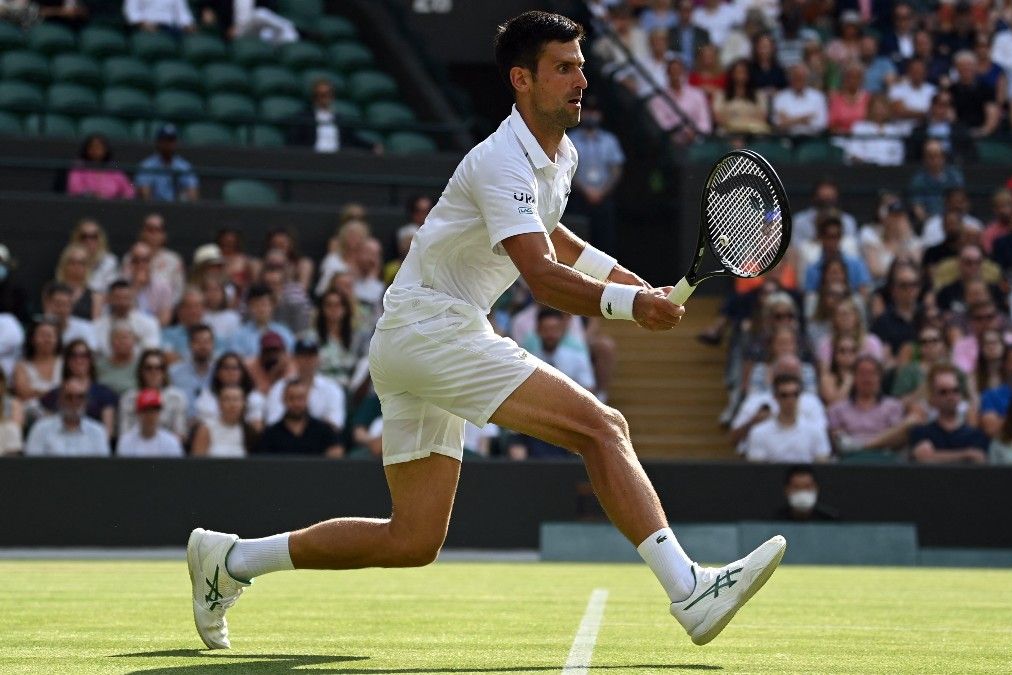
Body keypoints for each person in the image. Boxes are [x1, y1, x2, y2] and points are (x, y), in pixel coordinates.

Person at [186, 12, 784, 652]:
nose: (581, 79)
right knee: (601, 428)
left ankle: (233, 560)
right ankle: (688, 588)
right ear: (521, 80)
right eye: (564, 67)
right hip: (430, 327)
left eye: (581, 65)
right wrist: (629, 308)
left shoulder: (561, 154)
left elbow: (552, 233)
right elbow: (543, 276)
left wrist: (629, 282)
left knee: (413, 539)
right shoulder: (500, 160)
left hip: (417, 337)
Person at [566, 104, 624, 256]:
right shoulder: (570, 139)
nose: (591, 115)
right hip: (578, 197)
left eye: (594, 111)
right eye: (587, 111)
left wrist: (602, 192)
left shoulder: (609, 140)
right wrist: (586, 191)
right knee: (577, 241)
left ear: (600, 115)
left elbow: (616, 171)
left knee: (605, 241)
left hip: (604, 198)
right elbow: (567, 170)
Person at [744, 373, 831, 463]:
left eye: (795, 394)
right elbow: (757, 470)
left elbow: (822, 465)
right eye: (784, 395)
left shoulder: (815, 431)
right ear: (775, 398)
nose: (790, 400)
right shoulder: (759, 433)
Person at [909, 365, 989, 464]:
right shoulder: (921, 432)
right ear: (932, 397)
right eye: (943, 392)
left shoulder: (975, 435)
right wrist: (965, 454)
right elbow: (922, 457)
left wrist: (935, 456)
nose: (950, 396)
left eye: (955, 391)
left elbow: (978, 457)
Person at [264, 337, 345, 431]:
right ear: (294, 359)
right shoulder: (279, 388)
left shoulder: (332, 388)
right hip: (286, 442)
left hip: (321, 442)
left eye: (311, 356)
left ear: (318, 359)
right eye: (303, 356)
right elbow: (273, 423)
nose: (307, 361)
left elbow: (335, 425)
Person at [289, 79, 382, 155]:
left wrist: (372, 146)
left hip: (337, 159)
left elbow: (353, 138)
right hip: (313, 158)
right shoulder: (304, 118)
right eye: (321, 95)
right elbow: (294, 141)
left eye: (328, 94)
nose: (325, 98)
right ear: (314, 97)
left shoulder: (340, 119)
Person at [254, 379, 343, 458]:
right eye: (291, 398)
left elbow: (336, 452)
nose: (296, 403)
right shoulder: (270, 434)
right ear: (283, 399)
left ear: (307, 399)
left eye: (300, 398)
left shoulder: (324, 430)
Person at [25, 377, 110, 457]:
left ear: (86, 401)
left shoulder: (98, 432)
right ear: (60, 400)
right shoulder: (41, 429)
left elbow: (102, 468)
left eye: (80, 397)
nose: (74, 402)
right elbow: (32, 467)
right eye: (69, 397)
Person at [119, 347, 188, 440]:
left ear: (164, 372)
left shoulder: (176, 398)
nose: (154, 372)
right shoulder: (129, 398)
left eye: (158, 368)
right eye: (148, 368)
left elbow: (180, 434)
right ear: (141, 371)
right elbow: (124, 435)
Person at [649, 57, 713, 146]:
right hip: (670, 145)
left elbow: (705, 122)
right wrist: (682, 133)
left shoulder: (698, 95)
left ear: (684, 73)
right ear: (667, 74)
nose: (676, 75)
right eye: (672, 71)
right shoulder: (657, 99)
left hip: (696, 142)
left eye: (678, 71)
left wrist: (694, 133)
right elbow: (662, 124)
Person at [195, 352, 266, 431]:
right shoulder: (207, 395)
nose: (230, 372)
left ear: (242, 372)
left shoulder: (254, 397)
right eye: (226, 368)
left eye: (234, 368)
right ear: (218, 373)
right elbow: (205, 426)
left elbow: (256, 427)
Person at [134, 125, 199, 202]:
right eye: (164, 140)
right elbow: (145, 196)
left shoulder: (184, 166)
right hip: (154, 210)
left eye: (171, 140)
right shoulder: (147, 165)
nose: (168, 144)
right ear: (158, 142)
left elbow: (193, 195)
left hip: (179, 210)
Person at [230, 284, 295, 359]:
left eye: (264, 304)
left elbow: (291, 358)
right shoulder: (239, 335)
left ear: (273, 306)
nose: (260, 309)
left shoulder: (284, 333)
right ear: (249, 308)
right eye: (256, 305)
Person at [116, 388, 185, 457]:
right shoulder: (126, 441)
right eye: (146, 411)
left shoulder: (171, 442)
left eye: (154, 411)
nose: (151, 416)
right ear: (138, 413)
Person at [192, 384, 256, 458]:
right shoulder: (206, 429)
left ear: (243, 403)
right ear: (219, 404)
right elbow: (197, 463)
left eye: (236, 399)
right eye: (227, 399)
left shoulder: (249, 431)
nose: (232, 404)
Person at [67, 134, 136, 200]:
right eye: (92, 147)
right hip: (85, 206)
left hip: (112, 207)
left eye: (99, 147)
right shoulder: (79, 166)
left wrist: (119, 201)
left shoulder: (113, 167)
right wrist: (91, 195)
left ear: (105, 150)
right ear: (86, 149)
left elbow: (129, 191)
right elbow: (74, 188)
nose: (95, 150)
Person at [771, 62, 828, 138]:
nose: (798, 80)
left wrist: (789, 120)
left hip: (812, 139)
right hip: (787, 139)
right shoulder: (780, 97)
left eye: (801, 77)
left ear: (807, 78)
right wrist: (803, 119)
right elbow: (777, 124)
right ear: (790, 78)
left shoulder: (818, 97)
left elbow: (821, 124)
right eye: (795, 77)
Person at [125, 0, 195, 32]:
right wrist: (143, 24)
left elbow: (183, 12)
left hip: (171, 28)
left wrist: (188, 24)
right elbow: (131, 11)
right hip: (146, 28)